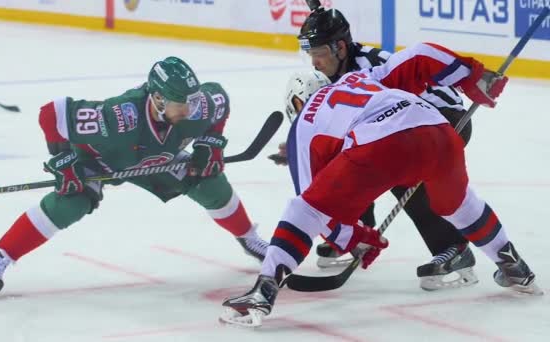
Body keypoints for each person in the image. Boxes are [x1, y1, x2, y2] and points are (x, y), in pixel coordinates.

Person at [219, 42, 542, 327]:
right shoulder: (359, 78)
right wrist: (473, 76)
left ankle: (264, 290)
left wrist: (356, 238)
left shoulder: (302, 126)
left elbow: (315, 211)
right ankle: (512, 263)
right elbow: (419, 56)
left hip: (382, 146)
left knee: (304, 209)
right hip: (438, 129)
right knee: (457, 204)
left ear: (295, 103)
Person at [0, 56, 269, 297]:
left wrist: (210, 143)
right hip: (102, 160)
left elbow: (219, 100)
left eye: (191, 102)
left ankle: (249, 238)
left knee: (210, 183)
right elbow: (52, 113)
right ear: (159, 100)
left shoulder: (196, 105)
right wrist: (64, 161)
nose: (190, 110)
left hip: (158, 159)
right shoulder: (119, 117)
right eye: (181, 104)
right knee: (69, 204)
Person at [269, 6, 477, 291]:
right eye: (311, 55)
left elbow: (405, 114)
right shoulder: (335, 73)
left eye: (318, 54)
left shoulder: (371, 63)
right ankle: (357, 232)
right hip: (410, 127)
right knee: (355, 159)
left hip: (447, 118)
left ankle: (455, 249)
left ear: (340, 47)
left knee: (394, 169)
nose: (314, 63)